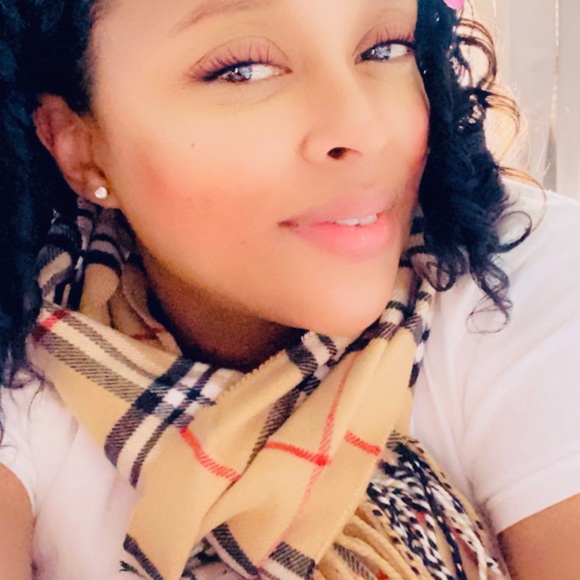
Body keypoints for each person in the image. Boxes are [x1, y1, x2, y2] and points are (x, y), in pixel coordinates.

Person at [0, 0, 579, 578]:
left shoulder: (522, 279)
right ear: (80, 147)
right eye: (243, 70)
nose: (363, 127)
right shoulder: (25, 348)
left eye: (385, 48)